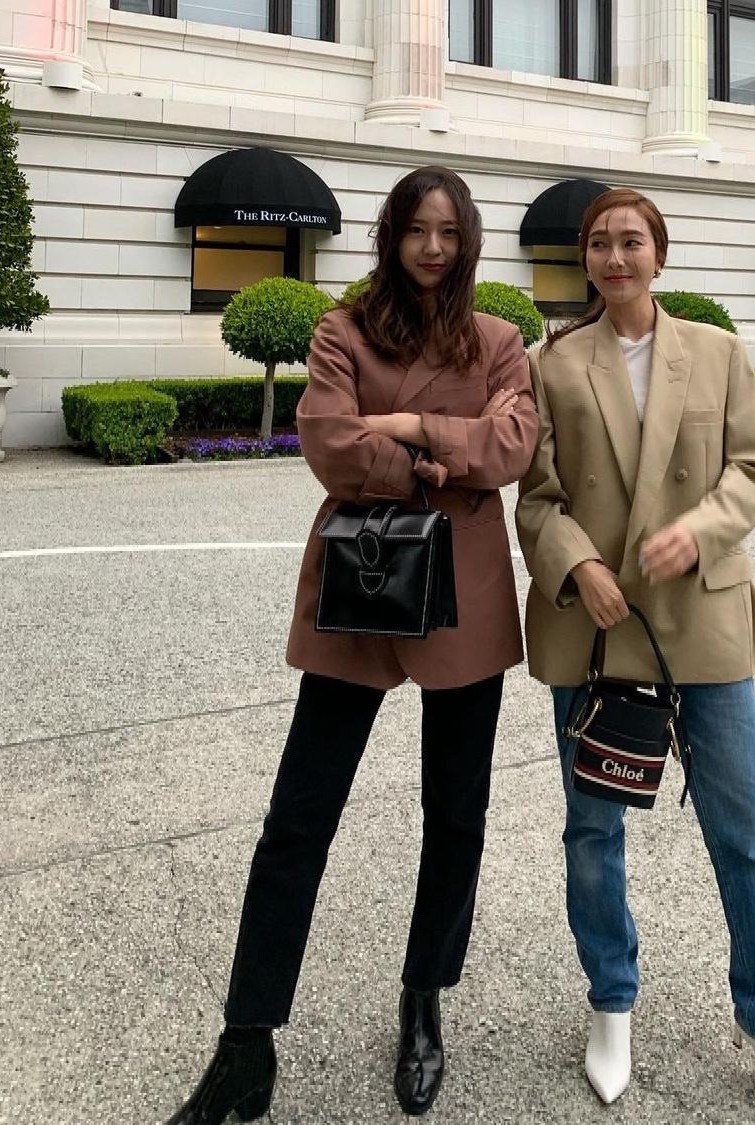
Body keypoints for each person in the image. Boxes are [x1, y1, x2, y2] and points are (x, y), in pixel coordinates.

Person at [166, 166, 538, 1124]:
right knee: (297, 817)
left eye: (448, 232)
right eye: (416, 229)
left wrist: (409, 425)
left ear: (468, 240)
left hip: (462, 598)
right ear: (390, 234)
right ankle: (245, 1041)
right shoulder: (343, 328)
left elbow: (514, 448)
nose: (432, 249)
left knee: (456, 813)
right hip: (362, 580)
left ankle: (423, 997)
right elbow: (328, 442)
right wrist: (440, 459)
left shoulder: (499, 339)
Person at [516, 188, 755, 1125]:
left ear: (659, 254)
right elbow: (534, 495)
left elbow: (754, 468)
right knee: (592, 830)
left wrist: (698, 530)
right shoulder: (551, 363)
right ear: (585, 258)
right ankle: (610, 1005)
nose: (615, 258)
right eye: (599, 243)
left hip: (702, 617)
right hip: (596, 624)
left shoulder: (718, 351)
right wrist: (578, 563)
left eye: (631, 241)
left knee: (746, 837)